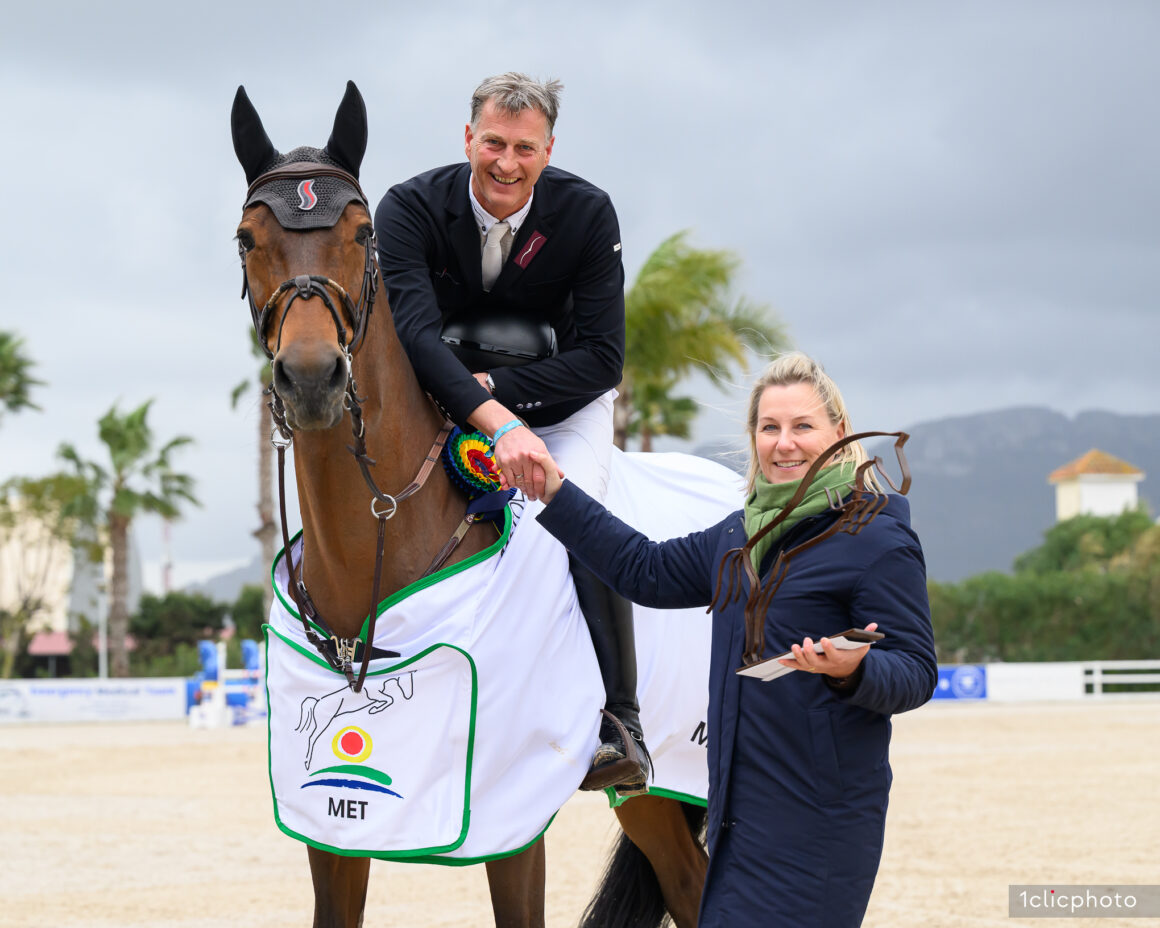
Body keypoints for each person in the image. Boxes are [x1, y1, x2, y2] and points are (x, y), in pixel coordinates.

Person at [529, 352, 938, 927]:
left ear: (838, 434)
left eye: (802, 426)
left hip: (821, 825)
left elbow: (917, 670)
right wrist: (554, 491)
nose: (785, 443)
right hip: (736, 824)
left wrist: (854, 670)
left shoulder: (875, 538)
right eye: (769, 427)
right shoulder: (736, 535)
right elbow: (642, 568)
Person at [373, 73, 649, 791]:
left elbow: (603, 359)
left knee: (582, 513)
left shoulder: (588, 213)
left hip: (563, 401)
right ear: (469, 137)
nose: (506, 162)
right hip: (444, 400)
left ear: (548, 150)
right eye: (493, 142)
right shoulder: (406, 207)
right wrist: (485, 414)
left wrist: (502, 397)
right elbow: (415, 338)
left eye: (525, 148)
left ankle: (622, 723)